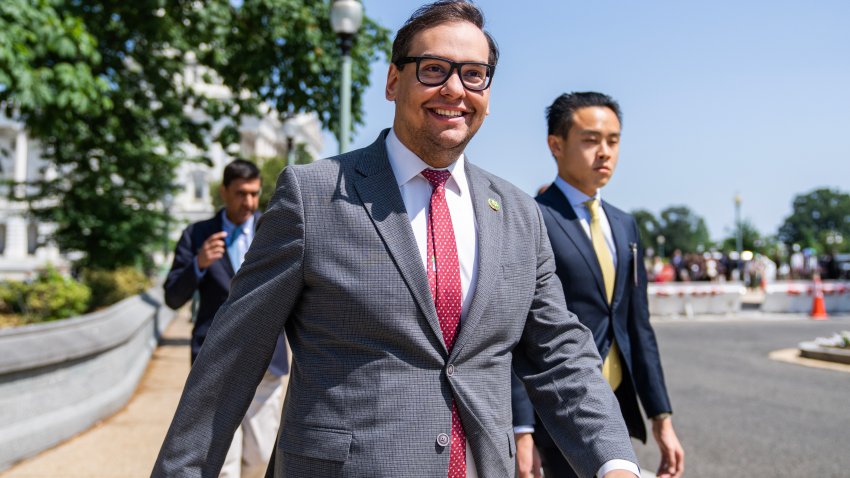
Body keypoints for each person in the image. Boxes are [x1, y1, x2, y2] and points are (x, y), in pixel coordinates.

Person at [153, 3, 638, 477]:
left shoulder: (518, 214)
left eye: (474, 74)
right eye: (433, 69)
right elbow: (233, 357)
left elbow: (559, 354)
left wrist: (614, 462)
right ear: (392, 81)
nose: (454, 88)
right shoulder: (313, 195)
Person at [511, 92, 684, 478]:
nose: (604, 152)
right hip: (554, 411)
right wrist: (522, 431)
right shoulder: (531, 218)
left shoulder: (624, 225)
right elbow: (516, 331)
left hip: (614, 409)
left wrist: (662, 417)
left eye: (613, 140)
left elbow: (638, 327)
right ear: (556, 145)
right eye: (591, 140)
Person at [163, 159, 289, 478]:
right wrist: (198, 265)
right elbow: (172, 296)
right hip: (214, 363)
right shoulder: (197, 235)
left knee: (261, 457)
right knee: (222, 466)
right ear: (223, 192)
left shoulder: (276, 230)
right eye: (240, 193)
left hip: (267, 363)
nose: (248, 202)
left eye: (254, 194)